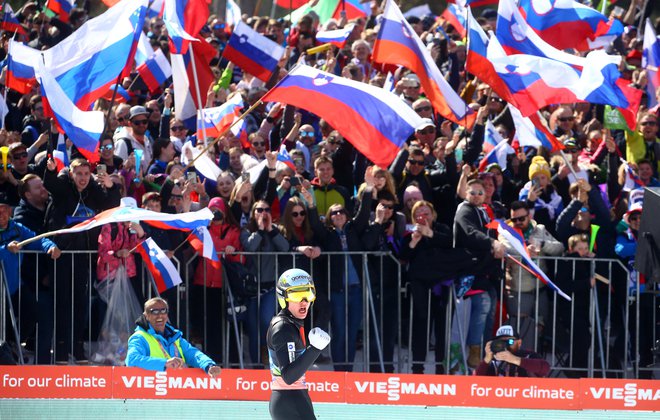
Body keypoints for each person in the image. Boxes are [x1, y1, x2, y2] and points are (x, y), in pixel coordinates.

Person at [267, 269, 330, 420]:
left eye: (308, 295)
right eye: (296, 295)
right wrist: (314, 349)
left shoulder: (292, 323)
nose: (304, 302)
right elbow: (289, 376)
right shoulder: (283, 327)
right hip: (288, 400)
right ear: (284, 298)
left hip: (296, 397)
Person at [126, 297, 221, 377]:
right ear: (146, 316)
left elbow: (194, 354)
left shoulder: (175, 337)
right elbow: (132, 360)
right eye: (154, 312)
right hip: (152, 391)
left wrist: (209, 365)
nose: (160, 315)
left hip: (176, 389)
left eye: (163, 311)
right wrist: (165, 363)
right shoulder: (139, 337)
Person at [475, 325, 550, 377]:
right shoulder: (494, 361)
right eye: (500, 342)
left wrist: (514, 359)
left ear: (519, 343)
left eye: (510, 341)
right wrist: (486, 360)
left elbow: (545, 368)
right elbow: (476, 385)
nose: (505, 345)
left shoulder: (528, 355)